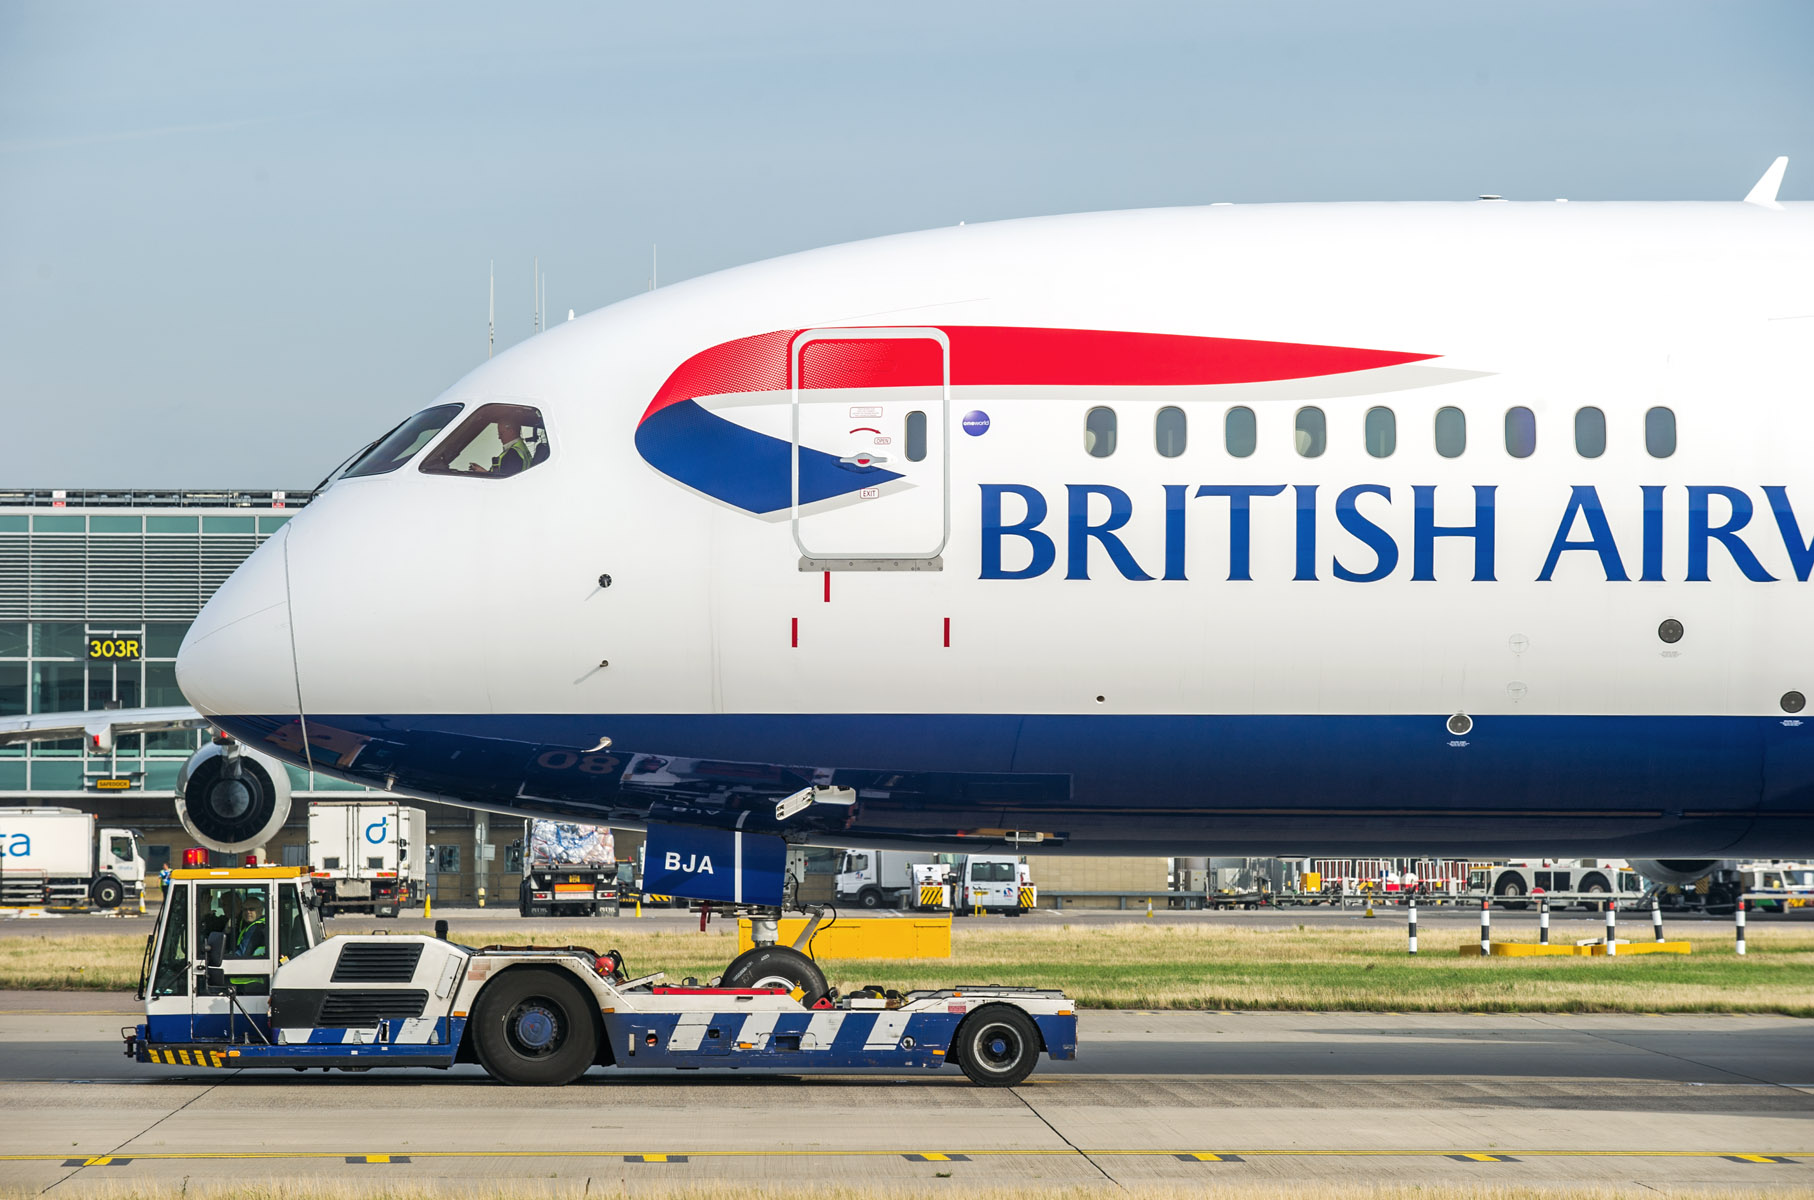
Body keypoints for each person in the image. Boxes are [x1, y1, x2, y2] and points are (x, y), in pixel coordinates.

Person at [466, 420, 533, 477]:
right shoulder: (520, 448)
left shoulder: (512, 454)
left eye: (501, 434)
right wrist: (484, 472)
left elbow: (505, 481)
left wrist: (485, 474)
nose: (499, 438)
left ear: (511, 431)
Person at [233, 895, 268, 960]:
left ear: (261, 910)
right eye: (245, 909)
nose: (248, 912)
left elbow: (242, 954)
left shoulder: (257, 928)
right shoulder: (248, 924)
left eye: (251, 909)